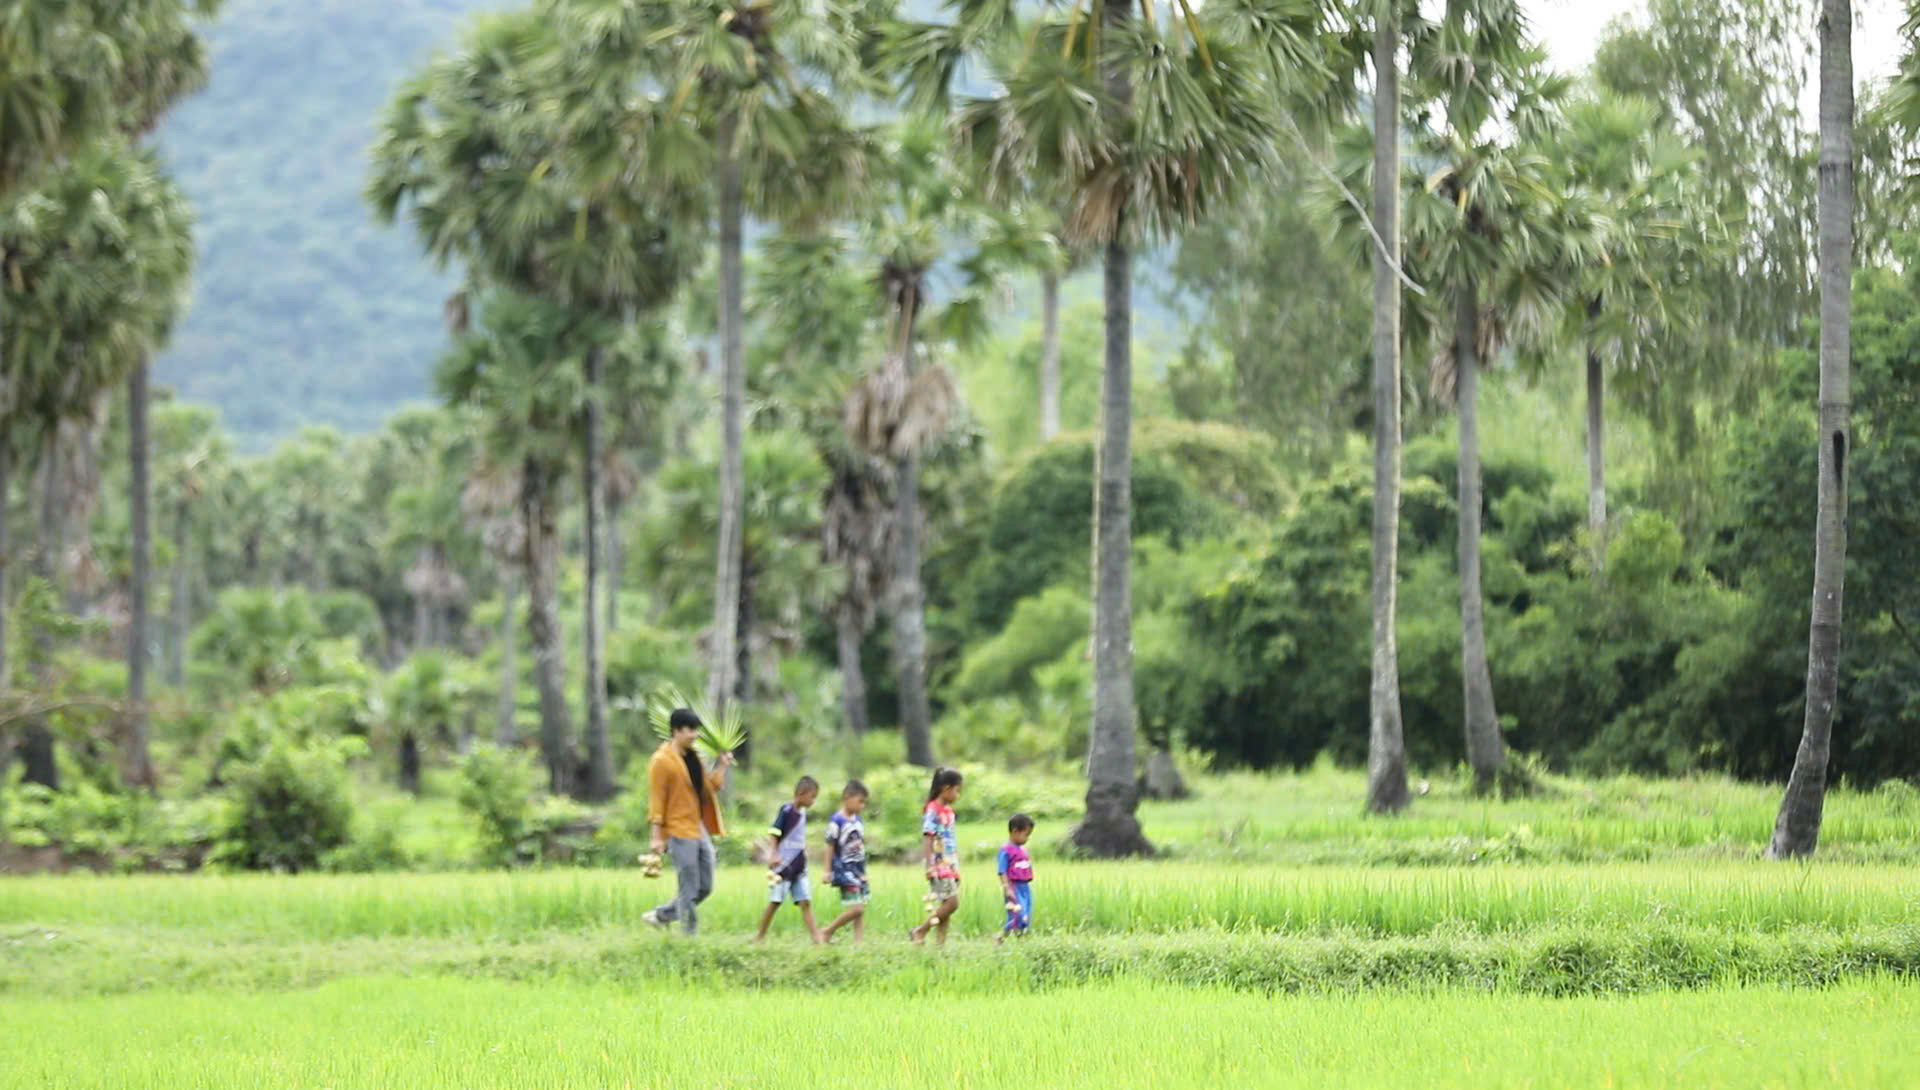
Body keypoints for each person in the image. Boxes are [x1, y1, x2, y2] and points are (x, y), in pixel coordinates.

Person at [641, 708, 733, 936]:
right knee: (689, 887)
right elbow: (657, 800)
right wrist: (656, 837)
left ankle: (661, 915)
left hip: (698, 827)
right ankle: (689, 938)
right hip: (678, 830)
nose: (696, 735)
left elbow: (709, 789)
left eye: (696, 730)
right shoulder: (661, 761)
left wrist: (722, 766)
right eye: (691, 730)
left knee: (705, 886)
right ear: (677, 731)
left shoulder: (695, 757)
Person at [753, 776, 823, 944]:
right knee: (775, 902)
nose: (813, 801)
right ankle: (760, 937)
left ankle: (817, 940)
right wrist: (774, 854)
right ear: (801, 793)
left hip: (799, 867)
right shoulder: (786, 810)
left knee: (805, 902)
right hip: (783, 866)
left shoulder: (803, 814)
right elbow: (774, 832)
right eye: (812, 796)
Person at [910, 767, 964, 946]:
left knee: (946, 906)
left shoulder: (949, 811)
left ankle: (941, 945)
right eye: (957, 790)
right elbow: (928, 836)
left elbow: (951, 840)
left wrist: (956, 863)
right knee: (952, 903)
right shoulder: (933, 809)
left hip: (950, 862)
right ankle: (920, 930)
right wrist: (929, 865)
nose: (958, 795)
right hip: (938, 863)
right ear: (946, 788)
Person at [821, 780, 870, 944]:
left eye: (864, 802)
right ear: (847, 797)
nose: (862, 806)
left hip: (859, 870)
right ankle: (827, 931)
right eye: (860, 801)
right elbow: (829, 846)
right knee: (857, 909)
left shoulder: (858, 820)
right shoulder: (836, 821)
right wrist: (827, 870)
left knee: (860, 907)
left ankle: (858, 942)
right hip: (844, 870)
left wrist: (863, 872)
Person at [995, 813, 1036, 945]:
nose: (1027, 838)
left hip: (1025, 887)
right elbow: (1002, 871)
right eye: (1026, 834)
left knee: (1026, 915)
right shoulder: (1006, 850)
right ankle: (1001, 938)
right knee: (1017, 915)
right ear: (1015, 831)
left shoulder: (1023, 850)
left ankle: (1021, 942)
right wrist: (1006, 888)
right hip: (1014, 886)